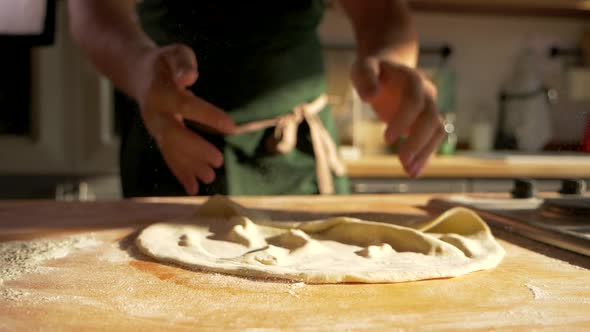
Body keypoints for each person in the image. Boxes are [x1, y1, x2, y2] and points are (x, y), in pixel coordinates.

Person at [68, 0, 444, 197]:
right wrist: (139, 67)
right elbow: (94, 11)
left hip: (300, 155)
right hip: (172, 148)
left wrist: (391, 61)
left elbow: (380, 11)